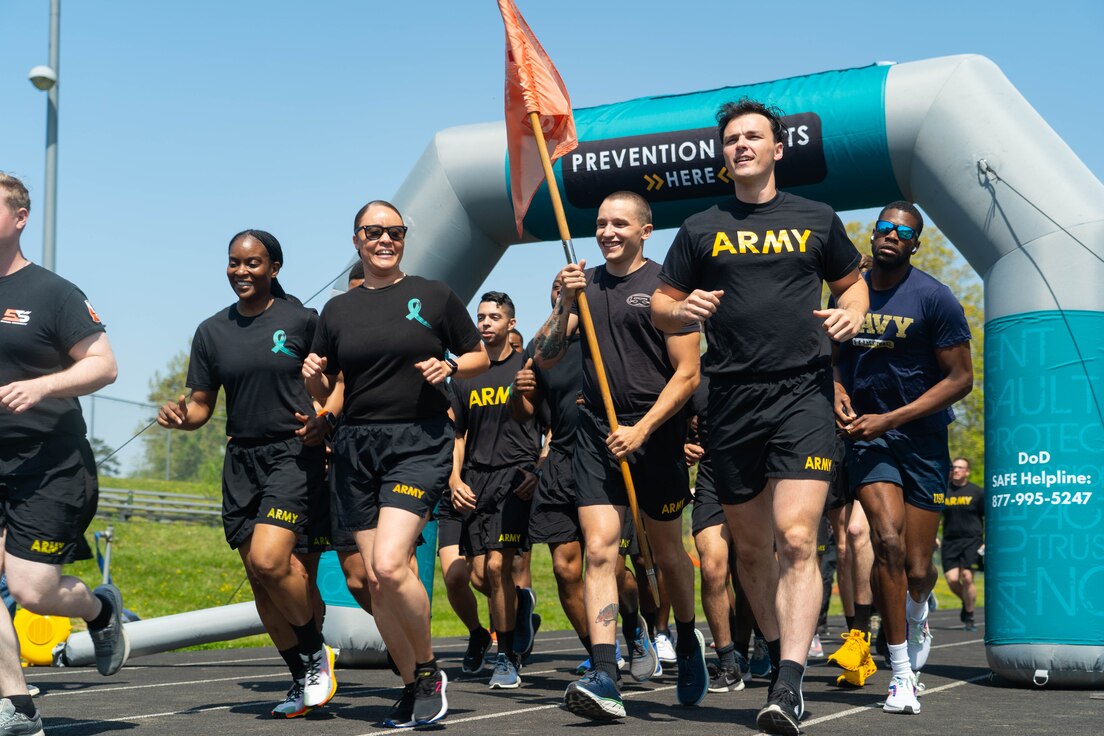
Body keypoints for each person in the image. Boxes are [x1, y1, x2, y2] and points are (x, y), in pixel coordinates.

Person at [651, 99, 868, 735]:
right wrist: (682, 309)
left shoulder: (817, 219)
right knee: (750, 549)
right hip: (730, 398)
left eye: (754, 137)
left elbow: (852, 285)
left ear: (777, 149)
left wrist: (850, 311)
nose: (742, 145)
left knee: (798, 537)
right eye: (733, 139)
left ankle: (791, 682)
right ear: (724, 156)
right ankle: (778, 660)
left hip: (802, 391)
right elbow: (661, 307)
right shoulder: (698, 228)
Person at [304, 200, 489, 728]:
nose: (384, 240)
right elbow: (331, 389)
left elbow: (477, 356)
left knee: (389, 563)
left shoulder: (433, 294)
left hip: (419, 440)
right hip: (357, 448)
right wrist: (313, 374)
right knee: (374, 581)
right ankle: (411, 686)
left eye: (395, 231)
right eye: (373, 232)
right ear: (356, 240)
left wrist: (450, 365)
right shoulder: (337, 311)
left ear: (404, 238)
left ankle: (430, 670)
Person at [533, 190, 706, 721]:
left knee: (667, 553)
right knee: (601, 548)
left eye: (619, 224)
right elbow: (546, 355)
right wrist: (562, 303)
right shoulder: (584, 288)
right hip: (594, 430)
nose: (607, 232)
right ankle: (606, 670)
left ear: (645, 231)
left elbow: (689, 373)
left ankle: (684, 633)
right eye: (601, 223)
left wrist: (644, 428)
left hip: (655, 431)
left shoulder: (665, 287)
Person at [157, 229, 336, 718]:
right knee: (260, 581)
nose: (241, 271)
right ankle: (301, 679)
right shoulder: (211, 331)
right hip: (240, 461)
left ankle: (318, 655)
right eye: (234, 263)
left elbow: (335, 383)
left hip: (292, 456)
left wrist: (324, 421)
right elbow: (200, 407)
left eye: (253, 263)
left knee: (270, 558)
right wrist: (179, 418)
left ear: (274, 268)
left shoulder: (303, 320)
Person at [833, 202, 973, 715]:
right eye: (885, 228)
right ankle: (900, 674)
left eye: (903, 232)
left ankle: (918, 613)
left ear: (914, 243)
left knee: (917, 567)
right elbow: (830, 357)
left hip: (923, 442)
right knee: (885, 543)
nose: (892, 235)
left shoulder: (934, 298)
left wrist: (892, 418)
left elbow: (961, 379)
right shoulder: (849, 292)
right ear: (874, 235)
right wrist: (835, 391)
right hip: (867, 438)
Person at [0, 172, 127, 735]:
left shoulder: (52, 292)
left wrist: (44, 386)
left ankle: (99, 610)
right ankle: (17, 706)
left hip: (49, 462)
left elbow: (104, 365)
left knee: (31, 589)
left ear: (19, 217)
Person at [510, 275, 646, 681]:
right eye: (555, 289)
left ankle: (636, 628)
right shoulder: (541, 352)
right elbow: (524, 415)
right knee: (566, 570)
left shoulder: (602, 339)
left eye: (568, 288)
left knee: (614, 567)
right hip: (560, 462)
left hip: (605, 458)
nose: (561, 293)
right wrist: (520, 392)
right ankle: (603, 656)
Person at [448, 291, 542, 689]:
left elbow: (551, 425)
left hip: (515, 478)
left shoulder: (528, 367)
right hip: (475, 479)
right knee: (476, 575)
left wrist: (539, 468)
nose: (485, 323)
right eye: (481, 317)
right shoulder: (465, 374)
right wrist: (454, 479)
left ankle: (505, 657)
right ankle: (520, 607)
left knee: (499, 567)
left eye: (494, 317)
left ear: (511, 324)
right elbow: (457, 433)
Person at [686, 374, 753, 693]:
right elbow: (674, 420)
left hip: (755, 477)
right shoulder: (695, 376)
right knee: (713, 567)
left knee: (750, 571)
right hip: (712, 478)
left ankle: (748, 647)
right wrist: (682, 443)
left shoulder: (760, 365)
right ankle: (728, 663)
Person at [942, 457, 984, 631]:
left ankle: (970, 616)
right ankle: (965, 601)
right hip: (950, 541)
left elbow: (988, 517)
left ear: (967, 471)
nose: (956, 470)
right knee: (952, 580)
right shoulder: (943, 490)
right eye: (954, 467)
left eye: (960, 467)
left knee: (967, 577)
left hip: (972, 541)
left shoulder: (977, 492)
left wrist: (986, 542)